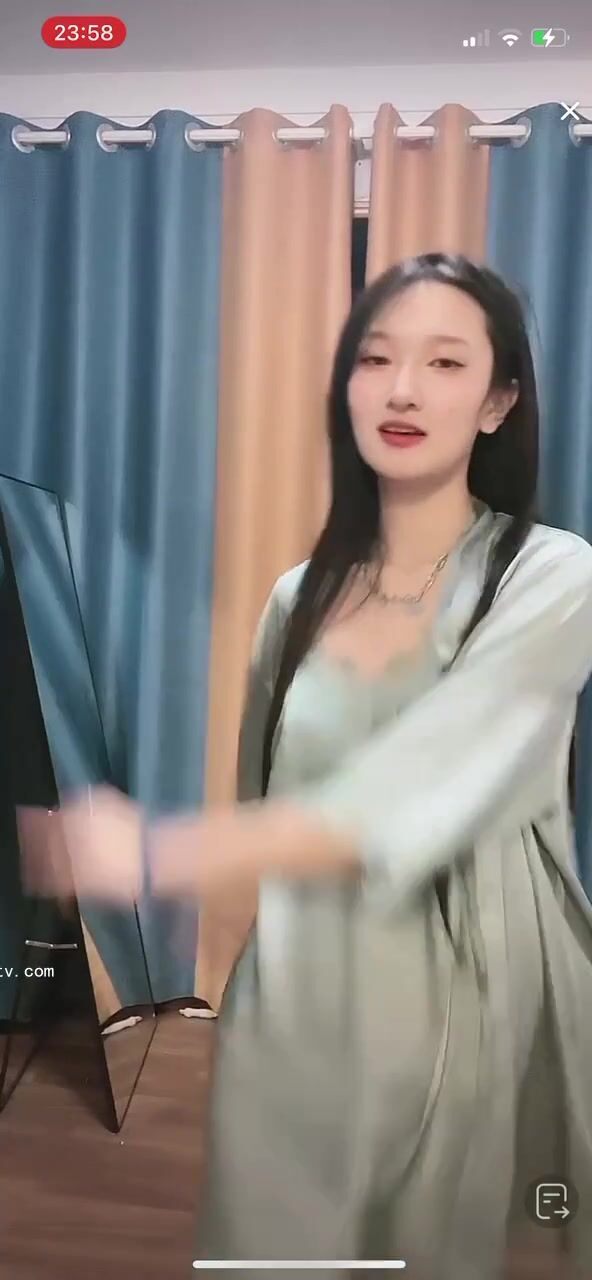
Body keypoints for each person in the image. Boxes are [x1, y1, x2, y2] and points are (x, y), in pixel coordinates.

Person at [26, 253, 592, 1279]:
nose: (403, 388)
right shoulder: (296, 597)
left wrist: (157, 849)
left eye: (445, 362)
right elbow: (265, 798)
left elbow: (417, 784)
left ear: (498, 401)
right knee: (265, 1254)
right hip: (294, 998)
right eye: (375, 359)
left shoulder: (553, 575)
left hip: (460, 1002)